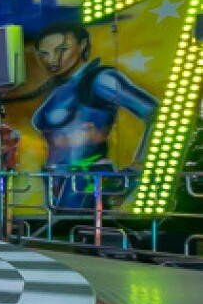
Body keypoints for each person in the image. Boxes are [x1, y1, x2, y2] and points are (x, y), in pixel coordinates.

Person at [17, 22, 158, 209]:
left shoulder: (101, 79)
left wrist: (137, 169)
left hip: (86, 180)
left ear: (82, 45)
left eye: (62, 49)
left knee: (71, 231)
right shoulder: (62, 87)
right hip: (58, 180)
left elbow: (157, 113)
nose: (52, 59)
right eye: (44, 53)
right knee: (60, 234)